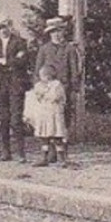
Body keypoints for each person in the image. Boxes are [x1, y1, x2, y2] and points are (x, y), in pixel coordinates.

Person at [27, 17, 78, 166]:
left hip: (63, 90)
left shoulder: (69, 48)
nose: (57, 34)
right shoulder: (44, 49)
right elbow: (37, 70)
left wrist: (73, 88)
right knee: (46, 121)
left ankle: (63, 155)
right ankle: (49, 153)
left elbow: (74, 70)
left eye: (59, 31)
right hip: (46, 91)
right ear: (49, 34)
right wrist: (38, 88)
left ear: (63, 32)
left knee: (62, 122)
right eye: (53, 32)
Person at [0, 18, 32, 162]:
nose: (3, 30)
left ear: (10, 26)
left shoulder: (20, 42)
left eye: (5, 26)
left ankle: (20, 152)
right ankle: (5, 151)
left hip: (15, 83)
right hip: (1, 84)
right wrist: (9, 63)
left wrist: (5, 62)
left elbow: (22, 61)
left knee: (16, 119)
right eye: (0, 27)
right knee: (3, 119)